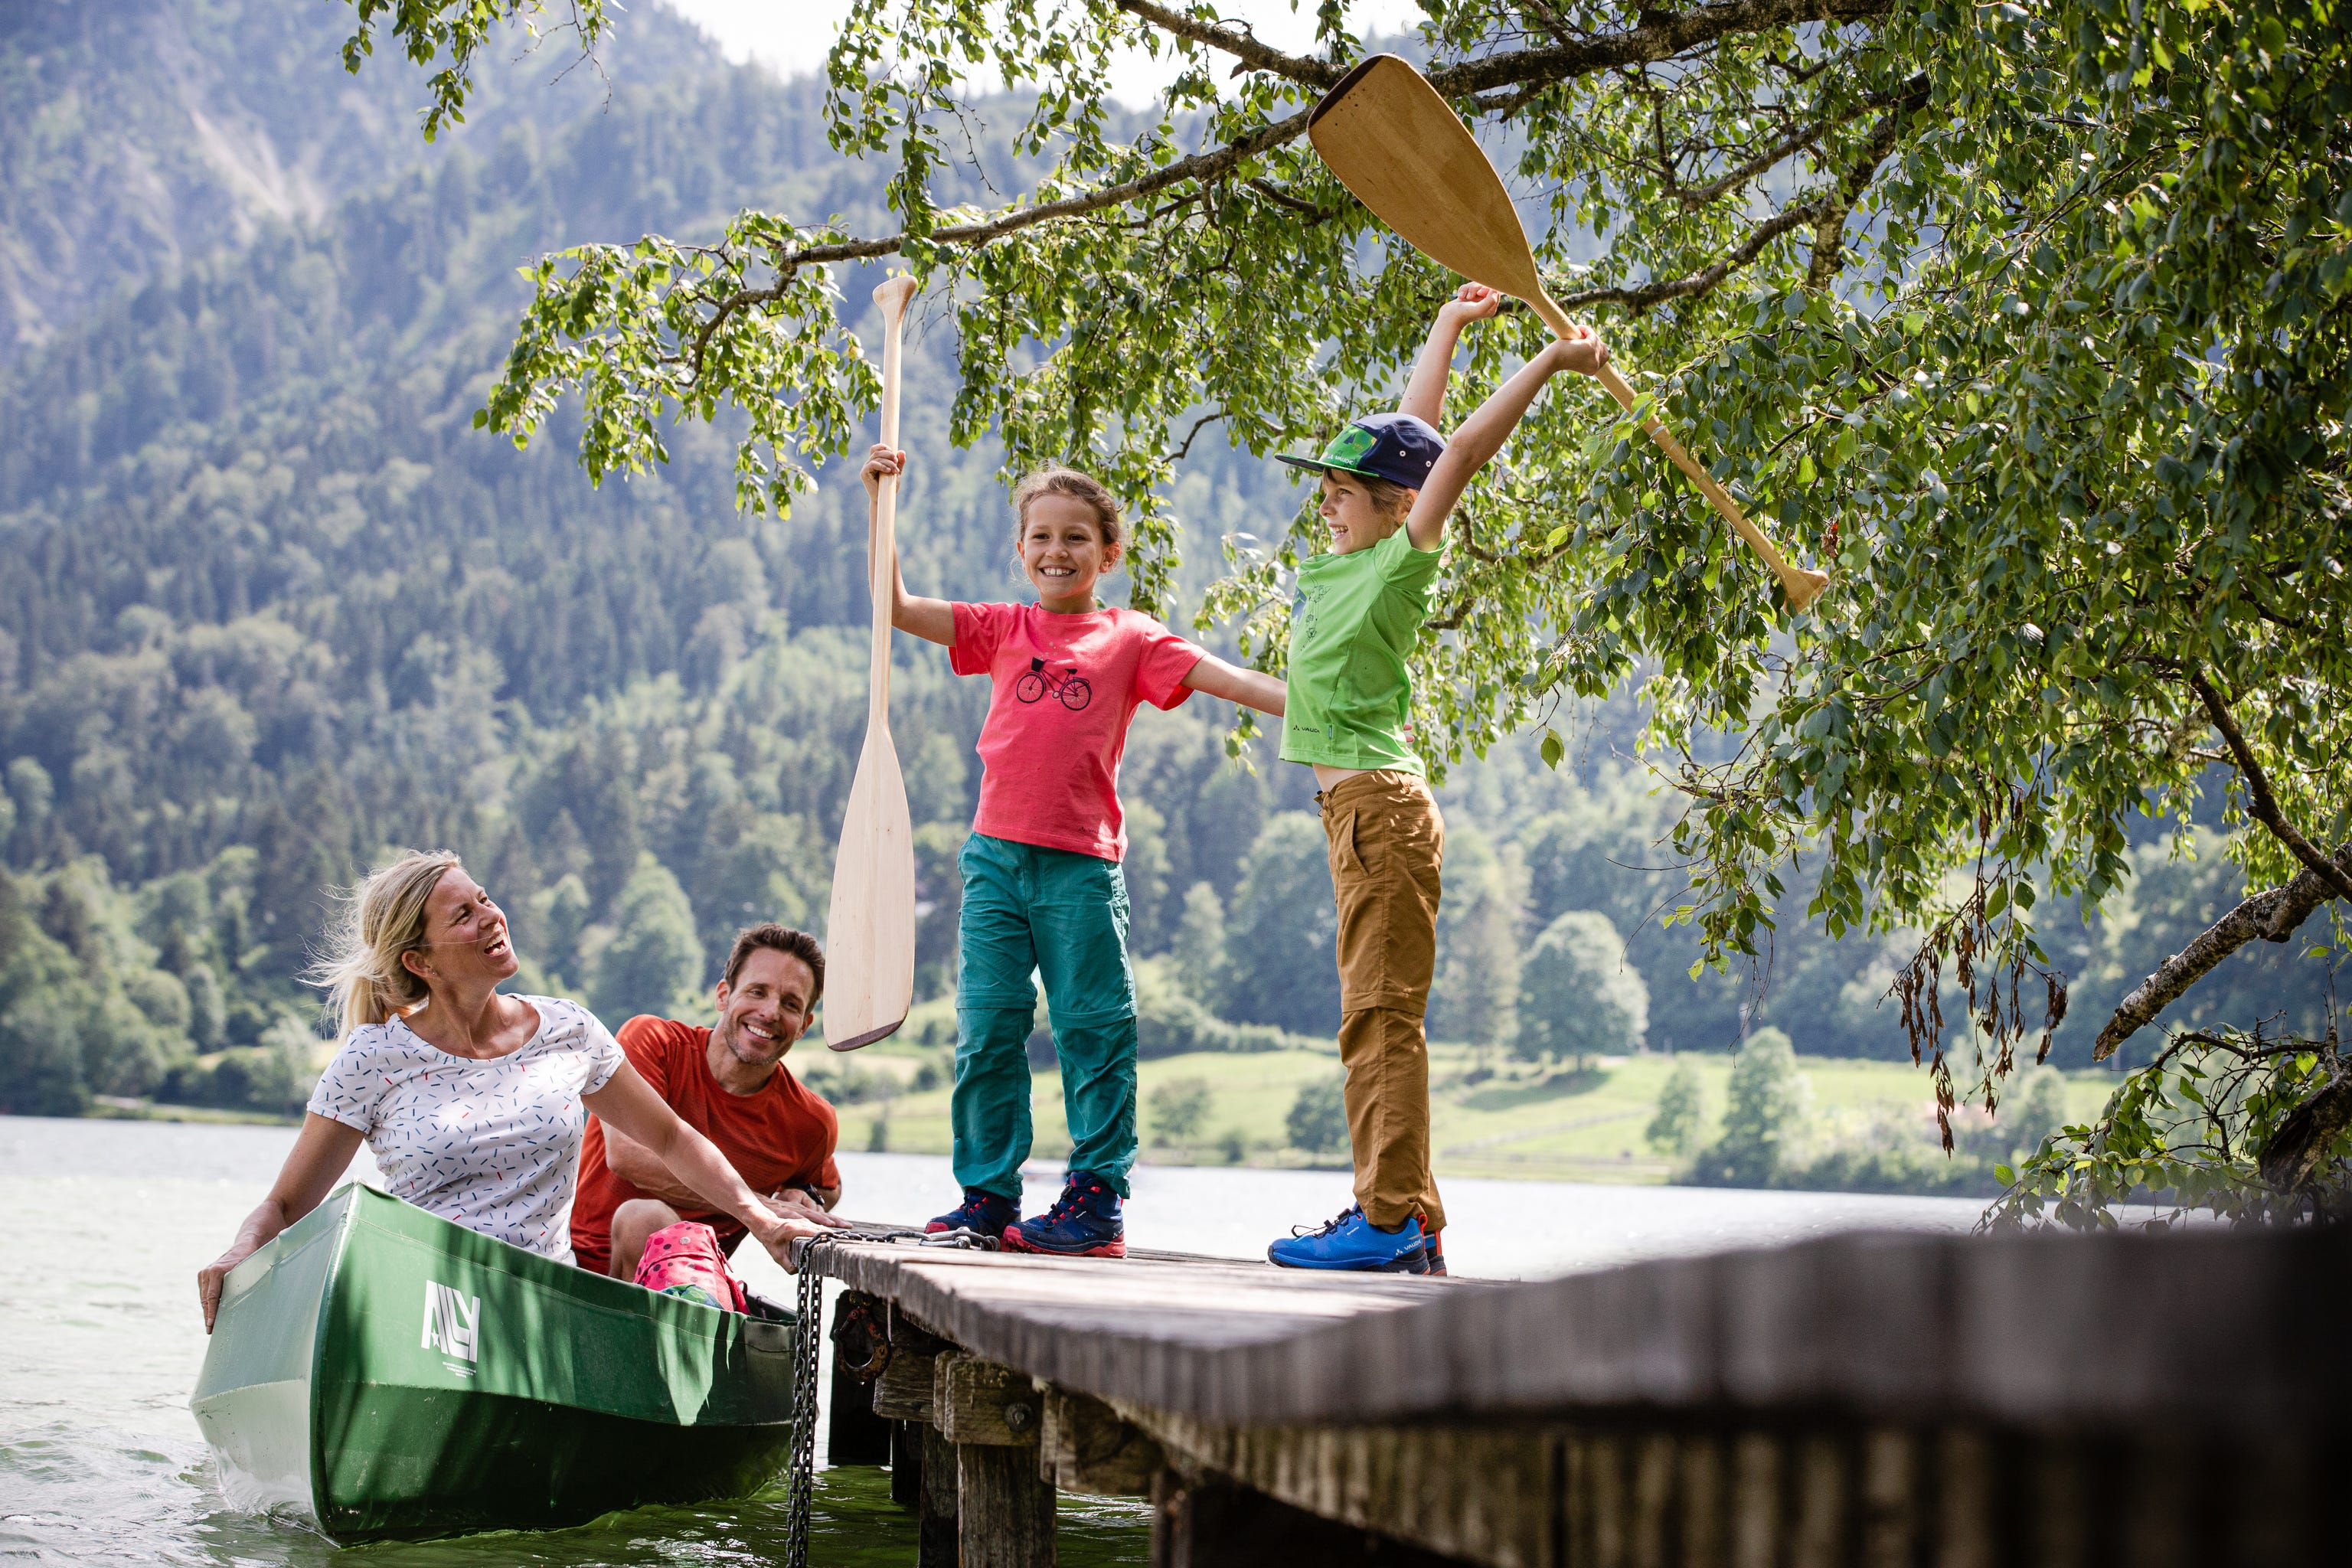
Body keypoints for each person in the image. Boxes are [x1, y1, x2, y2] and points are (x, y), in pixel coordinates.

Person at [859, 452, 1285, 1256]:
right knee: (987, 1027)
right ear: (1021, 549)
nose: (1058, 550)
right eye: (1042, 536)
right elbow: (894, 604)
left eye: (1078, 537)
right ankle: (987, 1195)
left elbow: (1227, 680)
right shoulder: (1001, 628)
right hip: (993, 860)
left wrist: (1314, 709)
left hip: (1081, 865)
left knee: (1094, 1027)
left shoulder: (1130, 636)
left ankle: (1095, 1201)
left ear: (1108, 553)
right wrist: (881, 502)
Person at [1266, 285, 1612, 1275]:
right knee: (1374, 1012)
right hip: (1353, 812)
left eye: (1343, 485)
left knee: (1379, 1016)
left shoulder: (1396, 566)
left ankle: (1385, 1221)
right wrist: (1448, 326)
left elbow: (1447, 457)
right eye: (1325, 481)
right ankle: (1412, 1222)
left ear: (1393, 508)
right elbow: (1415, 435)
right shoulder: (1337, 564)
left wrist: (1548, 364)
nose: (1326, 494)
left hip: (1379, 808)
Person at [195, 851, 846, 1330]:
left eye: (483, 899)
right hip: (427, 1307)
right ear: (420, 961)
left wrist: (760, 1218)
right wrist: (240, 1250)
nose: (490, 917)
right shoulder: (373, 1056)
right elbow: (285, 1206)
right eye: (463, 915)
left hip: (541, 1306)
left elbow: (672, 1139)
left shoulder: (567, 1030)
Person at [570, 923, 843, 1280]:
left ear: (804, 1025)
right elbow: (628, 1156)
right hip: (580, 1272)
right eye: (757, 992)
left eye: (790, 1004)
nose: (771, 1012)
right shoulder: (653, 1042)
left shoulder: (811, 1121)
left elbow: (828, 1189)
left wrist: (800, 1191)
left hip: (698, 1295)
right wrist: (759, 1209)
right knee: (646, 1218)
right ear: (723, 995)